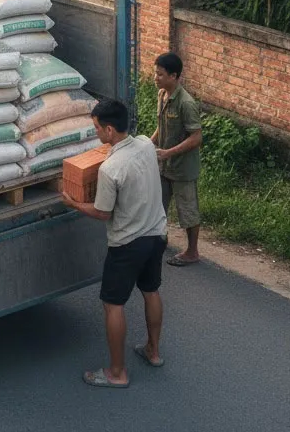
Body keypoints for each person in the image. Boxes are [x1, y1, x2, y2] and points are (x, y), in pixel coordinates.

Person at [63, 98, 167, 389]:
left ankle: (117, 372)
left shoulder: (111, 168)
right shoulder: (146, 145)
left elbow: (102, 212)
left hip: (127, 244)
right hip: (157, 234)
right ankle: (153, 351)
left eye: (97, 128)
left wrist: (75, 203)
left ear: (110, 130)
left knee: (113, 305)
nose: (95, 132)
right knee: (151, 290)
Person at [151, 51, 203, 266]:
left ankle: (192, 252)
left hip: (182, 169)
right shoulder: (162, 95)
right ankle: (160, 242)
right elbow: (162, 126)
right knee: (158, 206)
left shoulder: (186, 103)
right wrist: (149, 142)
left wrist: (168, 153)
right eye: (155, 73)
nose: (156, 78)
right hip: (164, 166)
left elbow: (196, 138)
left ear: (174, 76)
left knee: (187, 211)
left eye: (160, 75)